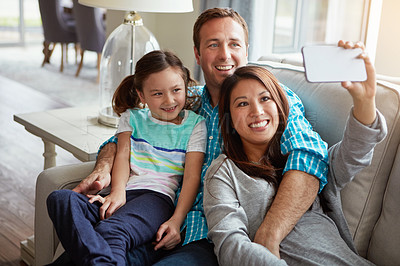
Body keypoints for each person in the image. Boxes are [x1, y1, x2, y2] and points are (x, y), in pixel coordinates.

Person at [70, 8, 329, 265]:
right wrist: (104, 166)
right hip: (157, 218)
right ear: (197, 53)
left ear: (246, 51)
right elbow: (123, 139)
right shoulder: (186, 102)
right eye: (213, 44)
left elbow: (309, 156)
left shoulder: (269, 98)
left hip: (211, 237)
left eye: (234, 44)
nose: (225, 54)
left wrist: (269, 235)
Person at [203, 41, 387, 265]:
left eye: (265, 98)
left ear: (280, 107)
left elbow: (354, 153)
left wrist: (364, 100)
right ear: (229, 119)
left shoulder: (304, 159)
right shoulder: (223, 173)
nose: (257, 111)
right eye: (242, 104)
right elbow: (230, 247)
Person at [46, 50, 207, 265]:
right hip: (123, 193)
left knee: (111, 231)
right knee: (61, 199)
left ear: (185, 87)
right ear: (142, 96)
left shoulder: (195, 125)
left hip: (156, 199)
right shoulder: (131, 118)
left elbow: (191, 178)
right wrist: (117, 193)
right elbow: (122, 156)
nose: (169, 100)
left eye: (176, 90)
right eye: (157, 93)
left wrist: (176, 220)